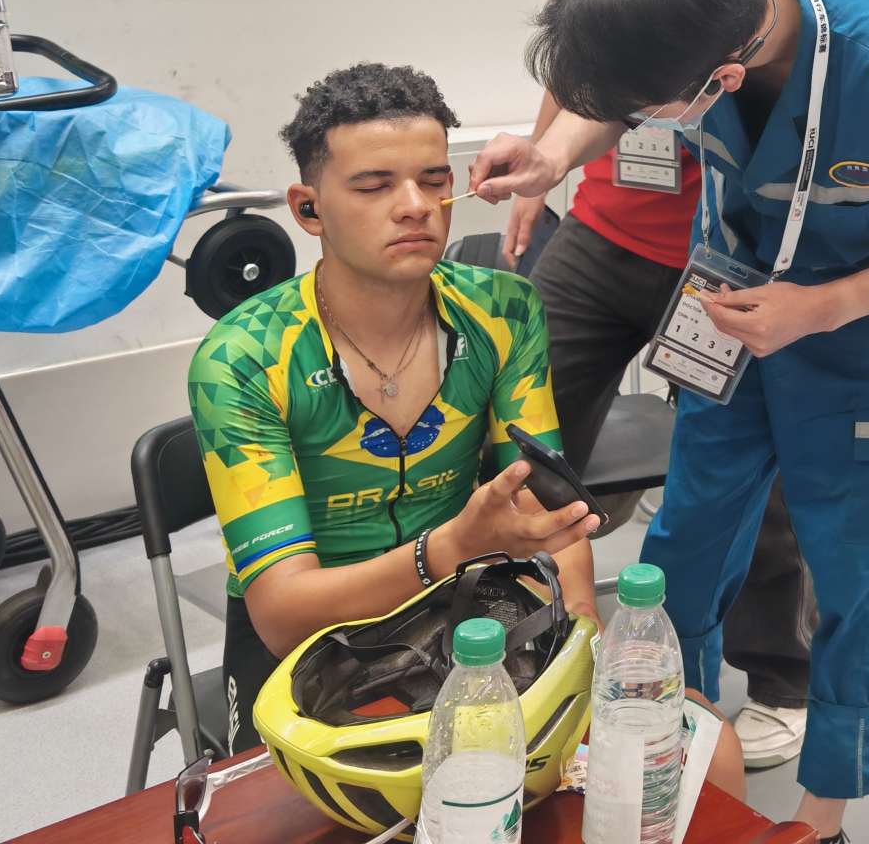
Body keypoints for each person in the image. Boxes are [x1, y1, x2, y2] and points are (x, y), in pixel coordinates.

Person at [469, 0, 869, 843]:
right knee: (690, 528)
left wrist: (828, 305)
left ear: (719, 80)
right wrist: (554, 153)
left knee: (864, 570)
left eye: (652, 110)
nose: (639, 125)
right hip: (728, 300)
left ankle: (822, 817)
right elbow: (626, 90)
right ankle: (673, 748)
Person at [477, 0, 834, 768]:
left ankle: (784, 676)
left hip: (735, 236)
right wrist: (545, 166)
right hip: (612, 220)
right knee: (520, 411)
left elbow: (827, 61)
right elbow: (585, 56)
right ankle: (530, 634)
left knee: (735, 453)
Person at [187, 63, 602, 751]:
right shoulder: (244, 358)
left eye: (434, 180)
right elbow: (283, 615)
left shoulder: (504, 310)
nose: (414, 206)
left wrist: (580, 641)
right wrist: (451, 547)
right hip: (312, 643)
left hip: (465, 606)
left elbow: (552, 513)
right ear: (308, 209)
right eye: (374, 186)